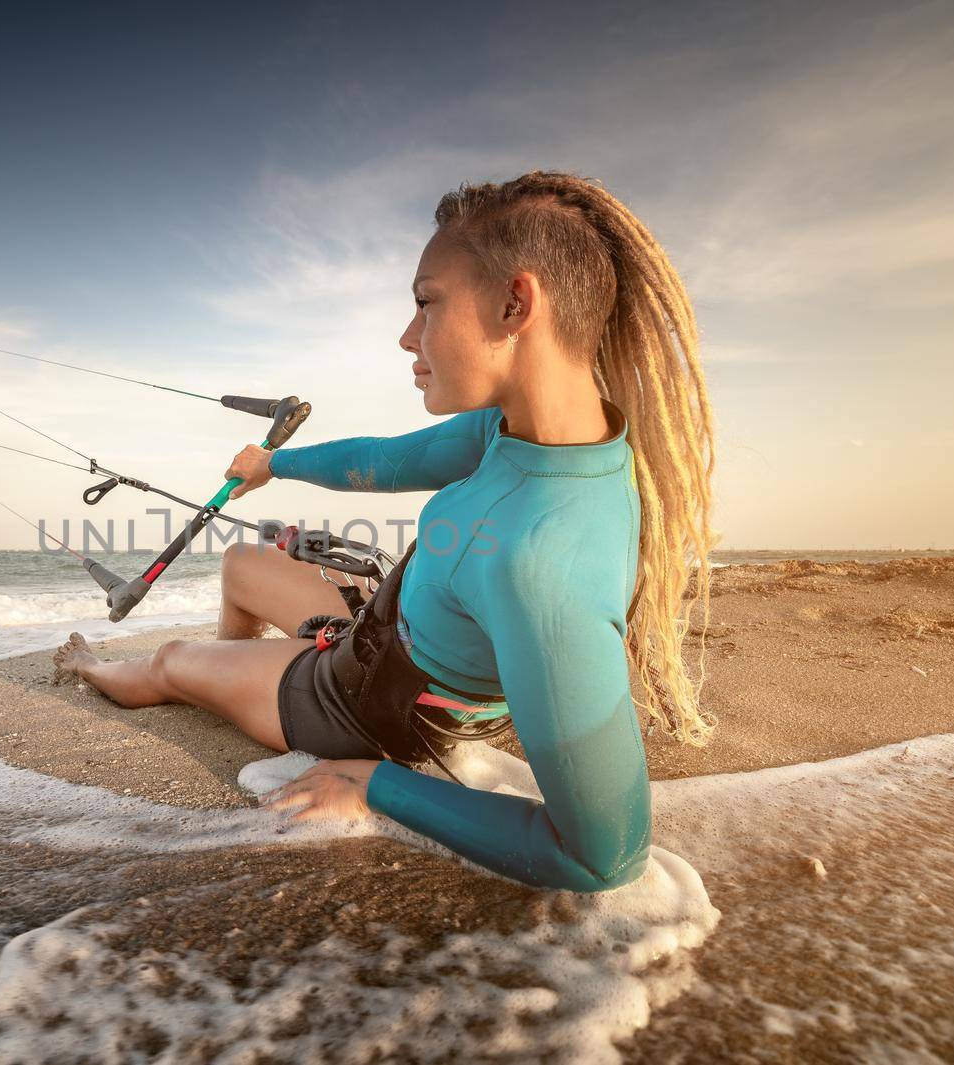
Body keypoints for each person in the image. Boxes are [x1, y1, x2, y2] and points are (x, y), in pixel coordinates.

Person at [54, 170, 717, 892]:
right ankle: (242, 674)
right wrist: (274, 463)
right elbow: (389, 459)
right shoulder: (533, 431)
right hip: (383, 633)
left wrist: (373, 783)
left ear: (514, 303)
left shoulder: (542, 563)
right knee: (243, 561)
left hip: (354, 709)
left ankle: (115, 671)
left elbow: (603, 855)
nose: (409, 336)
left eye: (427, 302)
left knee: (168, 658)